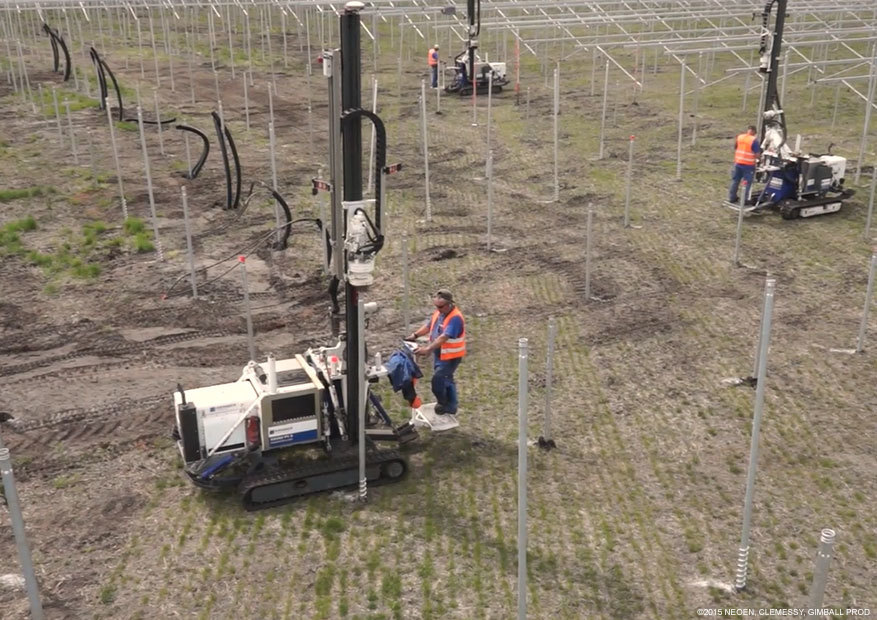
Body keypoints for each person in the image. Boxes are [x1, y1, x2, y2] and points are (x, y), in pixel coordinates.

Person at [407, 289, 465, 418]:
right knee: (447, 380)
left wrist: (428, 349)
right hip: (441, 353)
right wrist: (415, 335)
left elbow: (444, 337)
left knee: (438, 382)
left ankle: (444, 404)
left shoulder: (455, 318)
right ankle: (451, 406)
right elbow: (429, 326)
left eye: (441, 306)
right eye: (436, 306)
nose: (438, 309)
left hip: (450, 356)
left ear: (449, 304)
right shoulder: (440, 313)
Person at [729, 125, 761, 204]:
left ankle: (732, 198)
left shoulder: (740, 137)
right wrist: (760, 160)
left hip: (738, 163)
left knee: (735, 180)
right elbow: (757, 154)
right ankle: (744, 200)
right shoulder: (753, 140)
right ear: (753, 131)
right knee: (746, 183)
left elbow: (736, 148)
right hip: (748, 165)